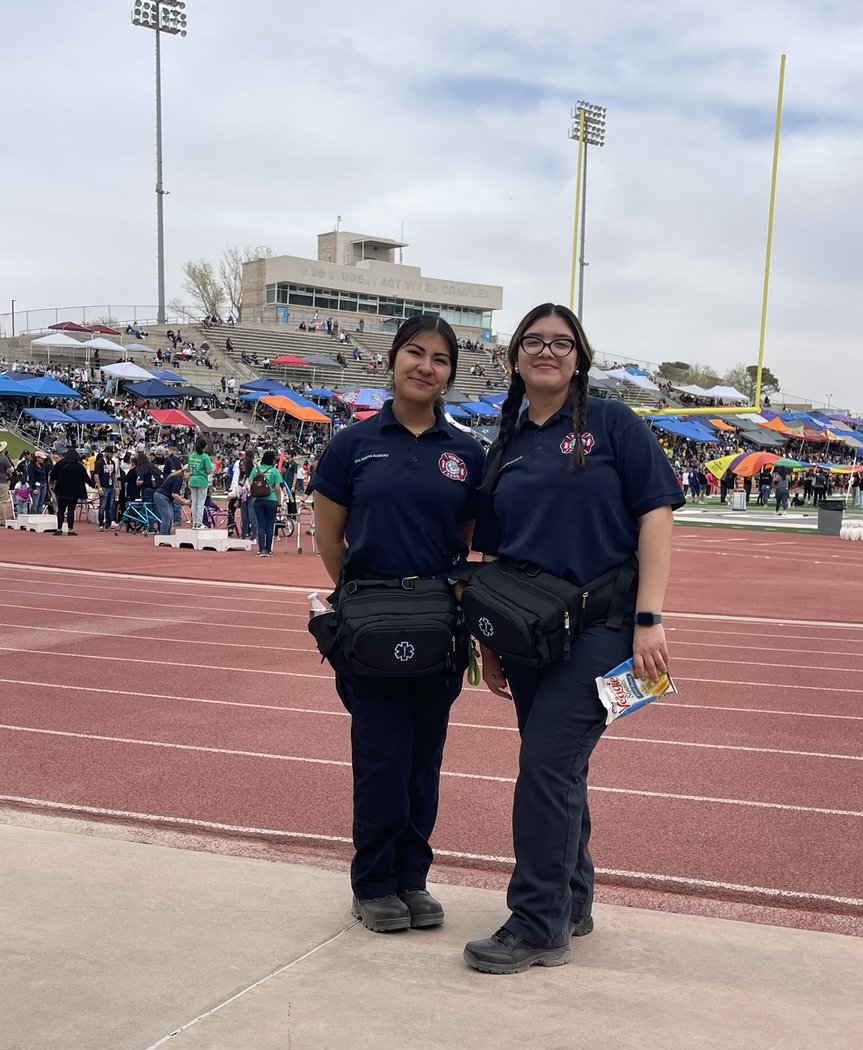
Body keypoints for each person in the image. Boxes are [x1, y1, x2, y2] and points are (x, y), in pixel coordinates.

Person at [461, 302, 685, 974]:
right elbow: (492, 557)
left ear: (581, 357)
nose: (548, 351)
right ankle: (572, 899)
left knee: (547, 765)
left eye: (562, 342)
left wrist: (650, 617)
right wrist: (490, 642)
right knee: (559, 768)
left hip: (606, 628)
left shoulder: (613, 425)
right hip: (531, 637)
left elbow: (656, 517)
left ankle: (537, 923)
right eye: (534, 341)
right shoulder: (504, 446)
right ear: (514, 357)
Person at [310, 315, 484, 934]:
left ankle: (414, 877)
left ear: (450, 374)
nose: (425, 367)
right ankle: (375, 882)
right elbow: (330, 536)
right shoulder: (352, 444)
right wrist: (362, 597)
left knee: (423, 760)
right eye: (415, 353)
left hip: (439, 624)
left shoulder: (465, 452)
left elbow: (462, 545)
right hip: (372, 622)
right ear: (392, 358)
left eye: (440, 360)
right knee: (381, 756)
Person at [246, 450, 285, 557]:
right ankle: (268, 549)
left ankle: (261, 549)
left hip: (258, 499)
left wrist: (254, 494)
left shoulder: (256, 469)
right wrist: (279, 502)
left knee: (261, 524)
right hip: (271, 499)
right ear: (272, 460)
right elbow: (277, 488)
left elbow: (250, 482)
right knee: (270, 524)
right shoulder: (274, 471)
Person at [49, 448, 92, 536]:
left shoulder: (59, 464)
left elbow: (53, 475)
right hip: (74, 492)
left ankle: (59, 529)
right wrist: (92, 485)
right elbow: (86, 478)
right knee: (71, 510)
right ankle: (70, 529)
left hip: (61, 490)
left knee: (61, 510)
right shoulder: (79, 466)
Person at [187, 437, 214, 530]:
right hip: (202, 481)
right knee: (200, 503)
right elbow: (209, 470)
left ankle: (194, 522)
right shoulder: (205, 457)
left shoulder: (192, 456)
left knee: (194, 502)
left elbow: (189, 469)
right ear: (205, 446)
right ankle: (199, 523)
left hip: (192, 480)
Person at [153, 467, 188, 535]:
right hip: (162, 496)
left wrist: (183, 500)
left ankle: (167, 533)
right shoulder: (178, 479)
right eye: (189, 475)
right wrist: (183, 502)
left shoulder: (177, 478)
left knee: (169, 516)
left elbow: (177, 493)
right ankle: (164, 534)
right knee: (167, 516)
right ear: (185, 472)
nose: (189, 478)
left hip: (163, 496)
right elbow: (174, 494)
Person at [93, 445, 119, 530]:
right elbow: (96, 475)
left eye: (112, 454)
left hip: (111, 486)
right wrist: (99, 488)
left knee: (110, 506)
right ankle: (101, 523)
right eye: (110, 454)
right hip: (103, 486)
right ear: (106, 453)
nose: (111, 456)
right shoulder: (100, 462)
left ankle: (108, 522)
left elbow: (114, 474)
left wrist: (117, 486)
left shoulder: (113, 463)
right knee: (103, 506)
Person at [0, 441, 13, 521]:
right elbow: (11, 470)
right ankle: (1, 518)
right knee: (2, 501)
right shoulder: (3, 459)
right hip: (2, 481)